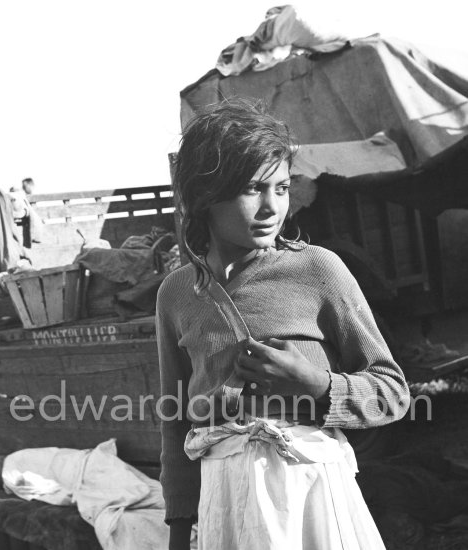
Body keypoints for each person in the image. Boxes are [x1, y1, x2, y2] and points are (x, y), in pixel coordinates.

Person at [156, 99, 410, 550]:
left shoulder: (318, 271)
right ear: (204, 197)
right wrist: (179, 531)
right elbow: (176, 421)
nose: (272, 207)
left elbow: (392, 392)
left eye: (282, 187)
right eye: (253, 188)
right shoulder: (177, 295)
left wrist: (314, 384)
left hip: (311, 493)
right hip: (227, 499)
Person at [0, 440, 170, 550]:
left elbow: (51, 492)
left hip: (88, 477)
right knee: (151, 501)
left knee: (115, 524)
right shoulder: (16, 465)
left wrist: (81, 501)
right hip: (96, 466)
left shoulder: (10, 469)